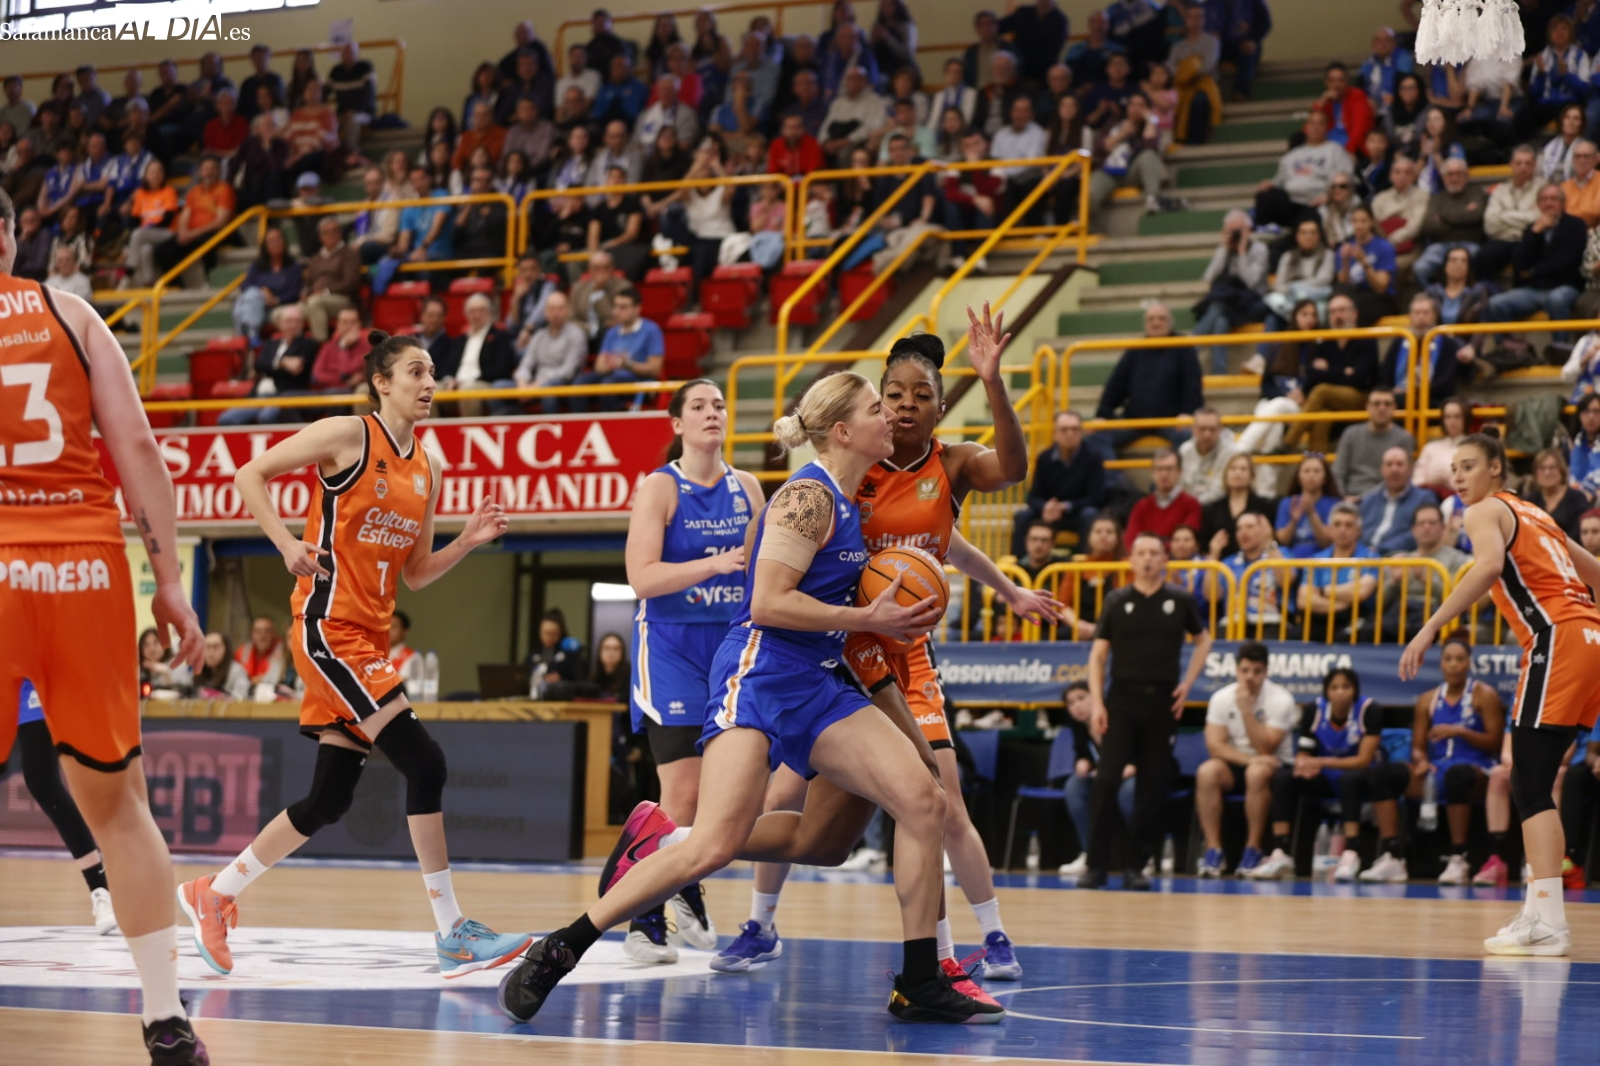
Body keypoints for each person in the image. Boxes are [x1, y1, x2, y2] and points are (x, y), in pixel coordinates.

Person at [496, 371, 1003, 1025]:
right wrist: (865, 618)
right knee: (712, 845)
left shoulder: (852, 505)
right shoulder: (807, 498)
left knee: (890, 814)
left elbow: (864, 634)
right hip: (758, 677)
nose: (892, 418)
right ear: (844, 431)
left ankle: (918, 980)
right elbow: (766, 603)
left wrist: (903, 717)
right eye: (879, 408)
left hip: (819, 683)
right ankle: (562, 947)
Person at [177, 330, 534, 981]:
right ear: (382, 381)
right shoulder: (347, 435)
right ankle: (453, 930)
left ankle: (215, 893)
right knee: (425, 763)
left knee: (329, 799)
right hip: (326, 626)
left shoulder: (430, 466)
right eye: (415, 371)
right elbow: (248, 473)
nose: (429, 383)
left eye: (433, 372)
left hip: (368, 638)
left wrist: (468, 542)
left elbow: (417, 573)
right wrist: (285, 544)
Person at [722, 318, 1056, 980]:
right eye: (891, 394)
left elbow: (951, 533)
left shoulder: (949, 463)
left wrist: (1008, 586)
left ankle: (985, 937)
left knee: (939, 794)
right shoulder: (852, 470)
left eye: (920, 394)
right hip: (843, 644)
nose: (904, 405)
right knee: (789, 792)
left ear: (937, 405)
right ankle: (760, 920)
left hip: (904, 649)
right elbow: (789, 530)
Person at [0, 186, 210, 1061]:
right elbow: (137, 453)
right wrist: (167, 580)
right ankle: (164, 1020)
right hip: (83, 569)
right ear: (11, 235)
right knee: (120, 809)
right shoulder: (72, 313)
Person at [1399, 433, 1600, 954]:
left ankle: (1549, 922)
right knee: (1537, 781)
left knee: (1530, 785)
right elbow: (1597, 573)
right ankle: (1540, 911)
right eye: (1454, 469)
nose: (1458, 477)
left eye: (1469, 466)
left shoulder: (1483, 511)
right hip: (1590, 637)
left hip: (1558, 639)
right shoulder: (1535, 513)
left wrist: (1429, 629)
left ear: (1496, 469)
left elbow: (1487, 566)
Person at [623, 378, 765, 963]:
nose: (714, 414)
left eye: (720, 406)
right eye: (699, 407)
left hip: (731, 646)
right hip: (672, 646)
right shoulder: (661, 487)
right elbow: (643, 578)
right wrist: (712, 565)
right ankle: (641, 918)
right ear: (678, 424)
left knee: (723, 797)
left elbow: (764, 568)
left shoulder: (749, 487)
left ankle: (682, 883)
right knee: (679, 791)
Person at [1078, 533, 1214, 889]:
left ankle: (1137, 867)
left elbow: (1204, 640)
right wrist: (1097, 701)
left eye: (1155, 552)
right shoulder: (1116, 599)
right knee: (1106, 781)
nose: (1149, 559)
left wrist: (1188, 684)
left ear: (1164, 559)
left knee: (1151, 787)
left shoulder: (1180, 600)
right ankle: (1095, 865)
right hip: (1121, 700)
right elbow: (1098, 654)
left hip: (1162, 702)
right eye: (1142, 553)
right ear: (1131, 560)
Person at [1256, 667, 1385, 881]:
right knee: (1283, 778)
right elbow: (1305, 753)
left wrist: (1320, 761)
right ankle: (1281, 853)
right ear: (1326, 692)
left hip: (1360, 776)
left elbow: (1363, 760)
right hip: (1325, 777)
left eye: (1346, 687)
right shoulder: (1314, 710)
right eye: (1334, 687)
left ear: (1355, 690)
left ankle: (1351, 853)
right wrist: (1303, 764)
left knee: (1349, 780)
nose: (1340, 692)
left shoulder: (1369, 710)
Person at [1193, 641, 1299, 878]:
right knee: (1207, 772)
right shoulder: (1221, 698)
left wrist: (1247, 710)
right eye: (1245, 670)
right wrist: (1248, 759)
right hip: (1238, 763)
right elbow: (1215, 746)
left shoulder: (1281, 699)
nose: (1250, 677)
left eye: (1257, 671)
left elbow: (1265, 747)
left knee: (1257, 772)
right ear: (1236, 671)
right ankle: (1213, 850)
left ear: (1266, 672)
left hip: (1274, 768)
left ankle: (1253, 849)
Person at [1094, 302, 1203, 453]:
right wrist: (1102, 416)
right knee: (1096, 437)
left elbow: (1192, 386)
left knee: (1188, 437)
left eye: (1161, 318)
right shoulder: (1135, 351)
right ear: (1145, 324)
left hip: (1171, 421)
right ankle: (1113, 478)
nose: (1156, 323)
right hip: (1135, 421)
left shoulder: (1184, 348)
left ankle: (1180, 477)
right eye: (1151, 319)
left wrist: (1187, 413)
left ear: (1170, 323)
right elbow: (1115, 386)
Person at [1057, 681, 1136, 877]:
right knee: (1074, 785)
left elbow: (1141, 748)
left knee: (1129, 791)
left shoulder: (1117, 716)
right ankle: (1089, 853)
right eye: (1071, 702)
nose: (1077, 705)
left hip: (1131, 773)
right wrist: (1083, 762)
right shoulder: (1079, 726)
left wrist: (1133, 765)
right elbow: (1084, 753)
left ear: (1097, 698)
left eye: (1082, 698)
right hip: (1103, 777)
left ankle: (1139, 856)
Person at [1484, 183, 1586, 333]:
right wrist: (1535, 232)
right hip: (1534, 290)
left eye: (1553, 199)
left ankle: (1560, 350)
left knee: (1556, 300)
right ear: (1538, 204)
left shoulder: (1575, 225)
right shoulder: (1532, 228)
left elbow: (1566, 262)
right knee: (1495, 303)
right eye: (1544, 199)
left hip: (1565, 286)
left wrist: (1533, 271)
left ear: (1563, 203)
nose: (1548, 203)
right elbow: (1519, 263)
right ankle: (1507, 351)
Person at [1010, 409, 1105, 555]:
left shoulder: (1093, 457)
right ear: (1055, 432)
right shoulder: (1045, 458)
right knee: (1023, 516)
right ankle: (1019, 566)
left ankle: (1084, 567)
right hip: (1050, 513)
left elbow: (1097, 497)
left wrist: (1066, 506)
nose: (1070, 434)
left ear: (1081, 432)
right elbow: (1033, 496)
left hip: (1076, 513)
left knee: (1089, 514)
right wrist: (1045, 507)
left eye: (1075, 429)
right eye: (1064, 429)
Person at [1192, 210, 1269, 374]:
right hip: (1229, 305)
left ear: (1248, 229)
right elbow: (1209, 277)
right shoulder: (1224, 249)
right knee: (1220, 320)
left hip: (1252, 304)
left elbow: (1252, 283)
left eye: (1238, 230)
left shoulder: (1260, 249)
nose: (1234, 234)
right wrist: (1225, 249)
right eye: (1230, 230)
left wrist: (1241, 252)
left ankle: (1188, 350)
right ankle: (1219, 372)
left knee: (1218, 306)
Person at [1252, 111, 1353, 232]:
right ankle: (1266, 233)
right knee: (1265, 196)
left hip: (1319, 203)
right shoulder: (1293, 154)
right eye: (1312, 123)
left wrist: (1329, 197)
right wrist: (1270, 183)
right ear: (1306, 127)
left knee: (1312, 216)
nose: (1316, 127)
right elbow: (1279, 181)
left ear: (1327, 127)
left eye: (1320, 123)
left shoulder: (1336, 151)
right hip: (1291, 203)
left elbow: (1346, 180)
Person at [569, 288, 663, 413]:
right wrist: (613, 363)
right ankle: (581, 425)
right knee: (579, 384)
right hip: (611, 376)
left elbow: (655, 368)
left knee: (608, 385)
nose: (617, 312)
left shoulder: (651, 330)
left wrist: (628, 364)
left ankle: (610, 428)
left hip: (637, 381)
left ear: (637, 308)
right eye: (616, 307)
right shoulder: (611, 333)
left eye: (623, 307)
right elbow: (599, 366)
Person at [1334, 388, 1415, 500]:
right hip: (1347, 498)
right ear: (1367, 407)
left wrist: (1363, 499)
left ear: (1394, 407)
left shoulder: (1404, 438)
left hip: (1384, 499)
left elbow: (1404, 477)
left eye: (1387, 404)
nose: (1382, 408)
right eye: (1376, 404)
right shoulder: (1350, 434)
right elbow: (1338, 472)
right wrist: (1341, 497)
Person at [514, 291, 587, 414]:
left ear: (567, 310)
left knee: (547, 388)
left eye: (560, 309)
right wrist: (522, 384)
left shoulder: (576, 334)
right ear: (545, 312)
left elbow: (568, 371)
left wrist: (538, 385)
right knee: (500, 386)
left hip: (563, 385)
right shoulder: (539, 336)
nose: (556, 313)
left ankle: (552, 429)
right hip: (534, 384)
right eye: (552, 309)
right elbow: (526, 364)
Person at [232, 227, 302, 348]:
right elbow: (245, 285)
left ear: (284, 242)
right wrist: (262, 292)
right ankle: (251, 336)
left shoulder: (294, 267)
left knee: (240, 307)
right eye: (271, 241)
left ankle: (245, 338)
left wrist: (277, 300)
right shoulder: (257, 266)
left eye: (278, 239)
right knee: (252, 295)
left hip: (278, 307)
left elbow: (295, 292)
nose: (275, 244)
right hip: (257, 306)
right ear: (265, 246)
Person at [1359, 447, 1436, 555]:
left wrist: (1380, 549)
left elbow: (1421, 533)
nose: (1394, 469)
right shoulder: (1369, 499)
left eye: (1399, 464)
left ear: (1410, 469)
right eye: (1389, 464)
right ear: (1381, 469)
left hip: (1400, 560)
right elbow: (1357, 531)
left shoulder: (1424, 498)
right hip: (1363, 558)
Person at [1200, 452, 1275, 560]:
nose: (1237, 473)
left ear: (1251, 476)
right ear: (1226, 475)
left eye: (1243, 469)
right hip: (1222, 568)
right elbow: (1204, 547)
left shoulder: (1265, 507)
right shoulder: (1212, 509)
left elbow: (1272, 540)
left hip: (1258, 565)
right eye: (1233, 469)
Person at [1125, 448, 1202, 548]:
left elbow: (1185, 544)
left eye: (1169, 469)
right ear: (1152, 472)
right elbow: (1131, 541)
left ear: (1180, 472)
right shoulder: (1141, 506)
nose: (1164, 474)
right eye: (1159, 469)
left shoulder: (1191, 504)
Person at [1275, 453, 1340, 559]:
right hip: (1292, 561)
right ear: (1299, 477)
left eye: (1316, 471)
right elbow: (1283, 541)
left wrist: (1312, 513)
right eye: (1306, 471)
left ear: (1325, 478)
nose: (1311, 475)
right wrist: (1294, 521)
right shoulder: (1287, 503)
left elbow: (1327, 542)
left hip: (1322, 561)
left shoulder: (1334, 504)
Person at [1179, 406, 1243, 506]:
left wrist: (1193, 506)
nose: (1207, 434)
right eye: (1202, 429)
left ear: (1220, 429)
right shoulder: (1184, 451)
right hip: (1189, 506)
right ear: (1193, 429)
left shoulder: (1231, 452)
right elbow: (1180, 485)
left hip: (1218, 506)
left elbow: (1220, 491)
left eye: (1212, 429)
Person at [1522, 447, 1588, 541]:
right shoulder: (1529, 501)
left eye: (1552, 467)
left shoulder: (1577, 499)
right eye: (1542, 468)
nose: (1547, 472)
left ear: (1561, 471)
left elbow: (1578, 535)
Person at [236, 615, 285, 689]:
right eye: (258, 632)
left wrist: (264, 678)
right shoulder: (242, 651)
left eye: (267, 631)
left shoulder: (284, 651)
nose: (263, 636)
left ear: (274, 633)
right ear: (252, 634)